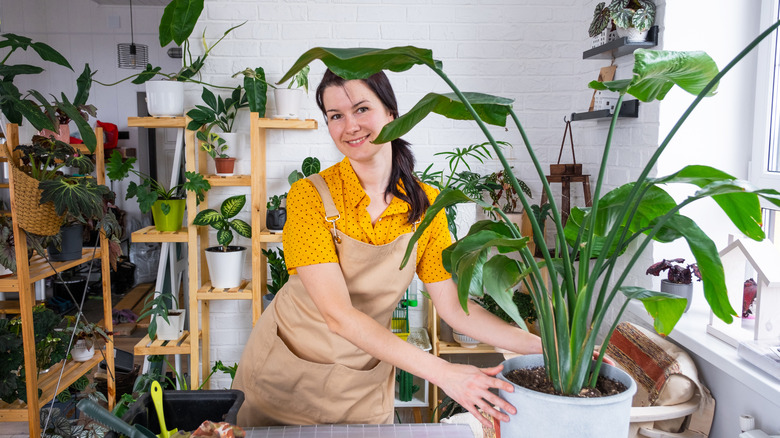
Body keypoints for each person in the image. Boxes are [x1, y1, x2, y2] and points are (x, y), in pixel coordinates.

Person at [232, 69, 543, 428]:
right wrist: (445, 373)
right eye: (336, 116)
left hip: (361, 386)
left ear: (391, 113)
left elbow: (455, 310)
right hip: (284, 379)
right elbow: (338, 315)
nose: (350, 126)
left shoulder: (426, 205)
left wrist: (541, 347)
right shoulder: (309, 196)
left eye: (362, 109)